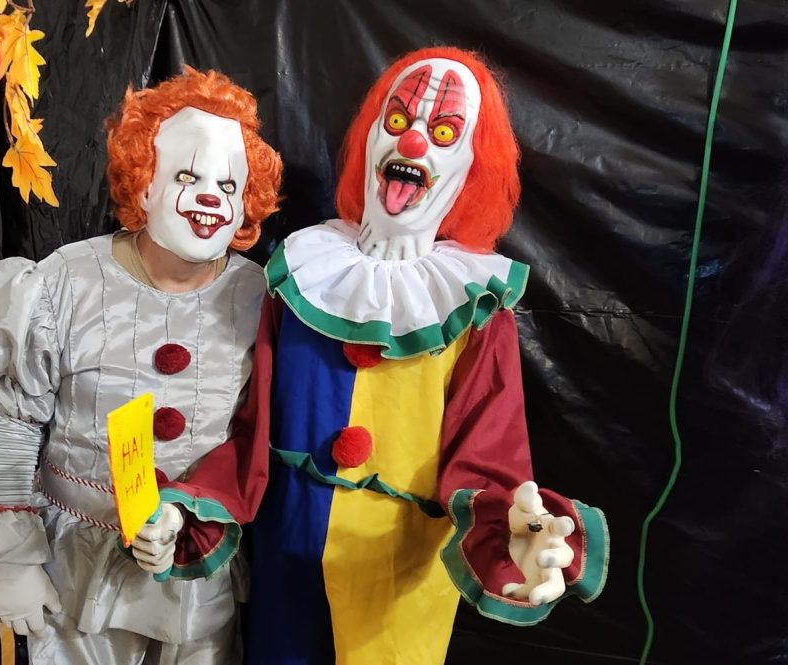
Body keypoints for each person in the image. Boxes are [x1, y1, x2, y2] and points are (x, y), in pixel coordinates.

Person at [247, 47, 609, 665]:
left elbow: (490, 457)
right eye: (397, 121)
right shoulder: (303, 269)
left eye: (443, 133)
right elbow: (248, 419)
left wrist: (512, 539)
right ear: (370, 138)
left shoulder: (473, 302)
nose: (412, 142)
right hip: (284, 558)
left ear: (470, 166)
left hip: (400, 574)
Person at [0, 67, 282, 664]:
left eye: (228, 184)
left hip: (194, 568)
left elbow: (255, 435)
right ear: (144, 182)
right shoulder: (64, 280)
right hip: (73, 567)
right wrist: (12, 559)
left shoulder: (259, 297)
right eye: (186, 175)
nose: (209, 197)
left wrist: (189, 511)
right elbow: (14, 417)